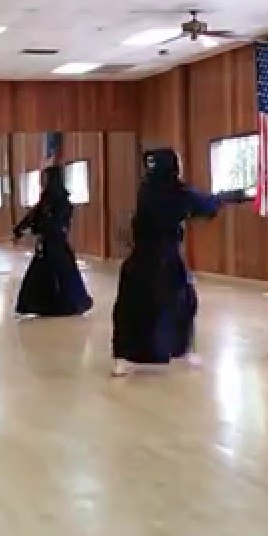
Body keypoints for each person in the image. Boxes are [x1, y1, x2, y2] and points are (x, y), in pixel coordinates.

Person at [110, 148, 228, 377]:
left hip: (143, 259)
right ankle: (172, 351)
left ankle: (131, 356)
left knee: (142, 307)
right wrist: (218, 201)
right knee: (174, 303)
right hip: (163, 258)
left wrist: (216, 201)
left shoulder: (149, 189)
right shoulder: (175, 192)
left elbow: (196, 204)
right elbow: (204, 206)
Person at [12, 165, 93, 318]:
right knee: (40, 275)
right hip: (46, 244)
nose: (41, 182)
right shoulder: (45, 200)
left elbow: (58, 224)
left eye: (44, 179)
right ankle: (43, 306)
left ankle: (67, 305)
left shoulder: (63, 201)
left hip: (57, 245)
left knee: (62, 275)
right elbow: (32, 216)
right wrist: (19, 229)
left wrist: (41, 227)